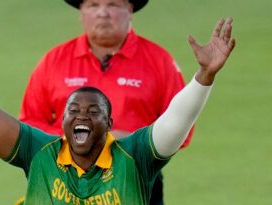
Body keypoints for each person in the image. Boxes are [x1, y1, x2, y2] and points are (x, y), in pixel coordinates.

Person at [0, 0, 235, 204]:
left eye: (94, 111)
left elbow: (176, 121)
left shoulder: (135, 158)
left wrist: (204, 77)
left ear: (109, 124)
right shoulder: (40, 152)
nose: (81, 117)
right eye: (73, 110)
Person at [19, 0, 191, 203]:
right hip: (66, 178)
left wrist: (130, 143)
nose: (103, 13)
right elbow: (30, 121)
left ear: (129, 10)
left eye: (113, 4)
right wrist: (77, 141)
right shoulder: (54, 61)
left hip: (135, 175)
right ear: (81, 13)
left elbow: (181, 126)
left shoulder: (159, 61)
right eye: (93, 5)